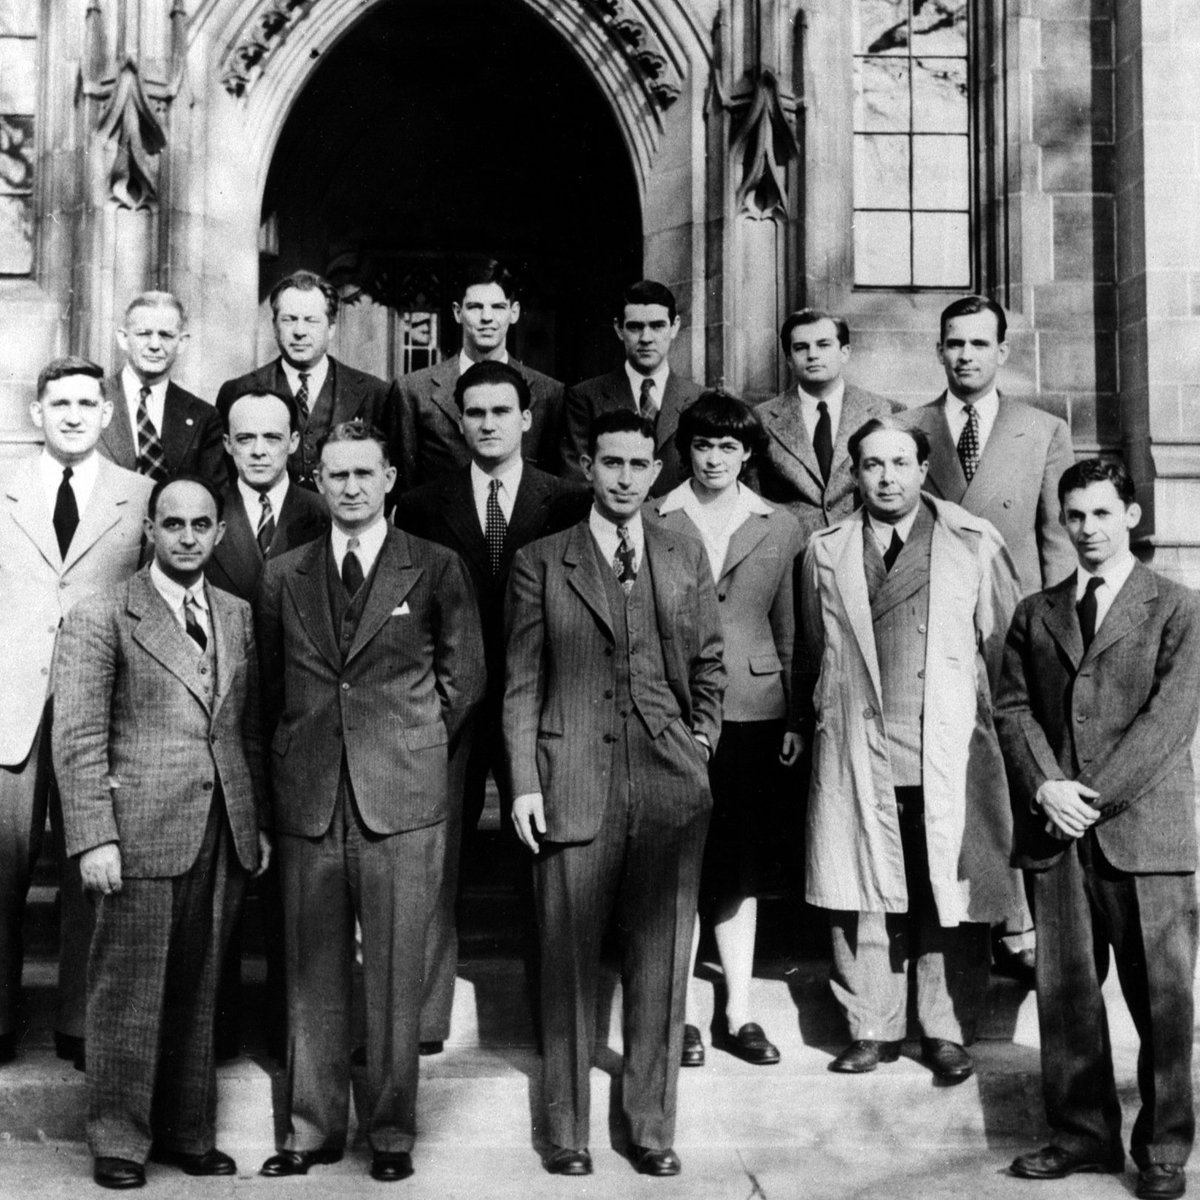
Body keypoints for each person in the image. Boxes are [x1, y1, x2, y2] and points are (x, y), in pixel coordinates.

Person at [256, 420, 484, 1183]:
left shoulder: (436, 566)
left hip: (400, 799)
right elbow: (268, 692)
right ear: (317, 483)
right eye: (336, 475)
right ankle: (311, 1129)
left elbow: (464, 678)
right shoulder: (284, 573)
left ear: (390, 479)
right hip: (310, 797)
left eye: (364, 473)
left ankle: (390, 1132)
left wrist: (410, 743)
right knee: (311, 971)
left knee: (394, 974)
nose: (350, 487)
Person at [504, 409, 724, 1178]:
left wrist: (700, 747)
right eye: (611, 463)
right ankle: (567, 1132)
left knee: (662, 965)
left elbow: (708, 664)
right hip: (572, 783)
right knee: (566, 963)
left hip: (669, 785)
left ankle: (652, 1128)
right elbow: (522, 682)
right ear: (587, 469)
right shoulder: (542, 561)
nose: (626, 477)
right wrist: (525, 783)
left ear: (655, 471)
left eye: (638, 464)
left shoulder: (681, 552)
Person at [52, 475, 270, 1190]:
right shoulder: (104, 614)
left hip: (221, 826)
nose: (185, 536)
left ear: (219, 532)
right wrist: (94, 837)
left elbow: (248, 728)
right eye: (171, 523)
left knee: (202, 986)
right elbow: (78, 735)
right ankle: (118, 1138)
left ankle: (187, 1130)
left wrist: (255, 819)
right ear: (149, 529)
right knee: (128, 990)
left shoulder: (236, 614)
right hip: (138, 828)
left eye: (199, 524)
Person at [997, 459, 1200, 1200]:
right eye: (1075, 516)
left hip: (1146, 836)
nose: (1087, 530)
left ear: (1132, 518)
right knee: (1068, 996)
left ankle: (1166, 1148)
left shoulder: (1177, 607)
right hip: (1057, 837)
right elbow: (1012, 710)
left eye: (1102, 515)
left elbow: (1169, 723)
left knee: (1165, 1000)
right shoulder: (1035, 612)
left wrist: (1090, 796)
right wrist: (1047, 787)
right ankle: (1083, 1135)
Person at [797, 418, 1022, 1083]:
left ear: (925, 470)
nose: (887, 477)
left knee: (945, 888)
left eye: (900, 462)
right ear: (855, 474)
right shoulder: (824, 551)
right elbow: (813, 651)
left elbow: (1004, 652)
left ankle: (947, 1030)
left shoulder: (973, 543)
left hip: (946, 746)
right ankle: (872, 1024)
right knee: (861, 887)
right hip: (859, 746)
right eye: (872, 465)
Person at [392, 360, 586, 1054]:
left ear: (527, 419)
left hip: (540, 703)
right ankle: (420, 1017)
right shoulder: (420, 504)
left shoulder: (567, 501)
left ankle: (549, 1018)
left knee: (546, 858)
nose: (488, 424)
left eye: (502, 412)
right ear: (459, 421)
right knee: (433, 861)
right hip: (451, 705)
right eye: (475, 413)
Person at [903, 293, 1077, 984]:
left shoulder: (1042, 430)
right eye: (954, 343)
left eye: (980, 344)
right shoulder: (908, 428)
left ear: (1003, 351)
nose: (966, 355)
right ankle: (961, 929)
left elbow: (1056, 540)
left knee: (1017, 769)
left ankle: (1021, 924)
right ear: (939, 350)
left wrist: (1057, 636)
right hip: (935, 637)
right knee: (949, 778)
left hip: (1014, 631)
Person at [0, 356, 152, 1072]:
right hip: (11, 708)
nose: (71, 414)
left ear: (106, 412)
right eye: (58, 402)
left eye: (86, 403)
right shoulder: (2, 486)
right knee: (1, 866)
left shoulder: (140, 494)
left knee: (90, 866)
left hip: (97, 712)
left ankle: (81, 1023)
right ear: (37, 412)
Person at [651, 392, 803, 1070]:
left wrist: (796, 712)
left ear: (747, 454)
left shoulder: (780, 525)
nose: (714, 459)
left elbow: (794, 628)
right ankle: (679, 1013)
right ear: (687, 449)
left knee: (738, 866)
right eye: (703, 446)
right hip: (675, 711)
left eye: (728, 448)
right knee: (677, 863)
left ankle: (738, 1009)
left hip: (752, 709)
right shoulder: (657, 516)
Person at [206, 387, 328, 1061]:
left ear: (294, 444)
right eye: (244, 439)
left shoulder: (321, 512)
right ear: (227, 445)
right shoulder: (204, 515)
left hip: (300, 724)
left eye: (270, 439)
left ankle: (292, 1038)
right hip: (222, 724)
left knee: (298, 894)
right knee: (222, 885)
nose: (257, 450)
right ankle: (216, 1037)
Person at [215, 270, 399, 490]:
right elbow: (224, 478)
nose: (299, 331)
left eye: (311, 321)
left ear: (331, 328)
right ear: (275, 326)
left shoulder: (374, 392)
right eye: (289, 320)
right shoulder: (238, 391)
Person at [394, 258, 564, 489]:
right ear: (457, 312)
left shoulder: (549, 394)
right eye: (475, 307)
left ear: (514, 313)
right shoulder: (414, 391)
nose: (486, 317)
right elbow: (404, 490)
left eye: (497, 307)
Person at [754, 308, 900, 543]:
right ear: (789, 359)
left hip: (862, 548)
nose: (812, 355)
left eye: (823, 345)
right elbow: (753, 499)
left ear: (845, 352)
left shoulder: (883, 411)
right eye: (801, 347)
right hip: (791, 553)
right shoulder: (761, 418)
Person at [562, 280, 704, 496]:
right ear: (619, 329)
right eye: (635, 327)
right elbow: (577, 482)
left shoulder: (700, 399)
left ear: (674, 327)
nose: (646, 338)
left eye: (657, 326)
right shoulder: (585, 398)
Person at [99, 292, 227, 489]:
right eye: (144, 334)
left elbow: (213, 496)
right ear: (123, 338)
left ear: (182, 342)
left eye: (166, 335)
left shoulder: (203, 417)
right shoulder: (92, 400)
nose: (155, 345)